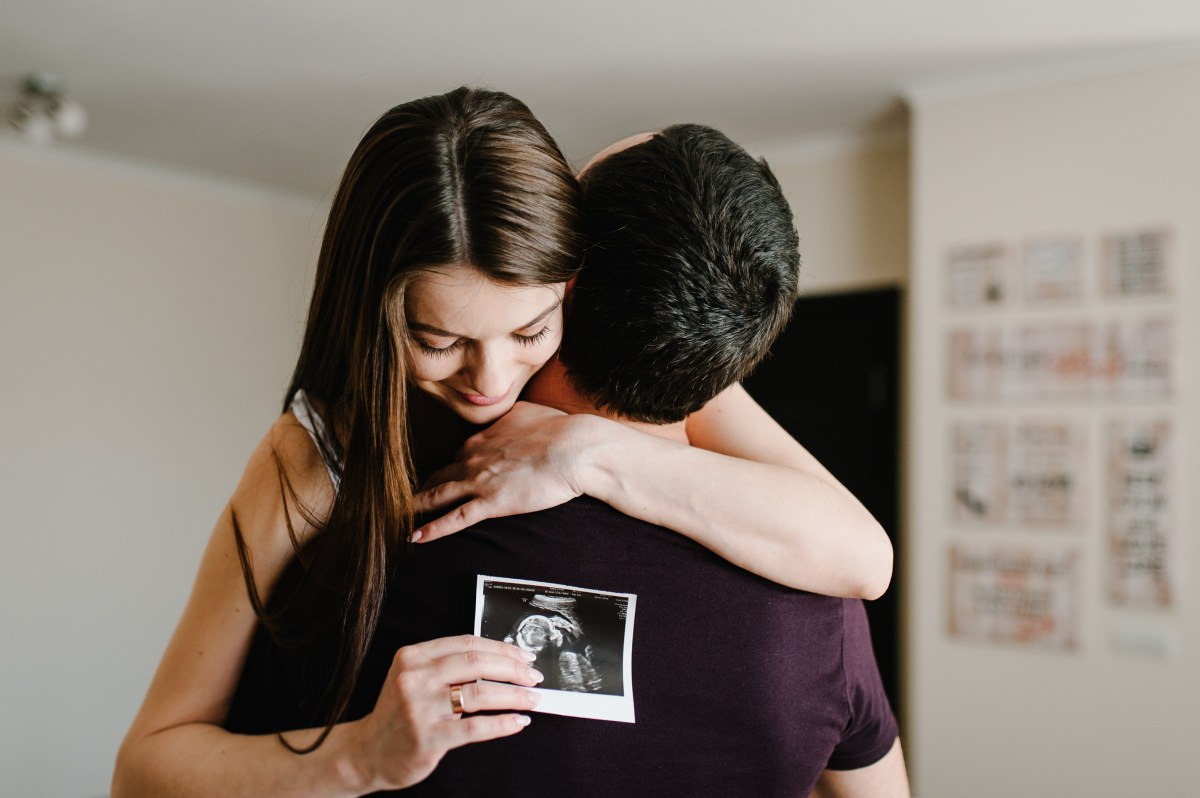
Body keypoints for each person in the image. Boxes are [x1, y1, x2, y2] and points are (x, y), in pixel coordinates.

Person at [114, 87, 889, 797]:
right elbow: (145, 766)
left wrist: (589, 451)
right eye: (438, 338)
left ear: (567, 286)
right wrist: (356, 756)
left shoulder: (792, 542)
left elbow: (866, 556)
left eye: (527, 330)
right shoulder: (323, 459)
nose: (489, 379)